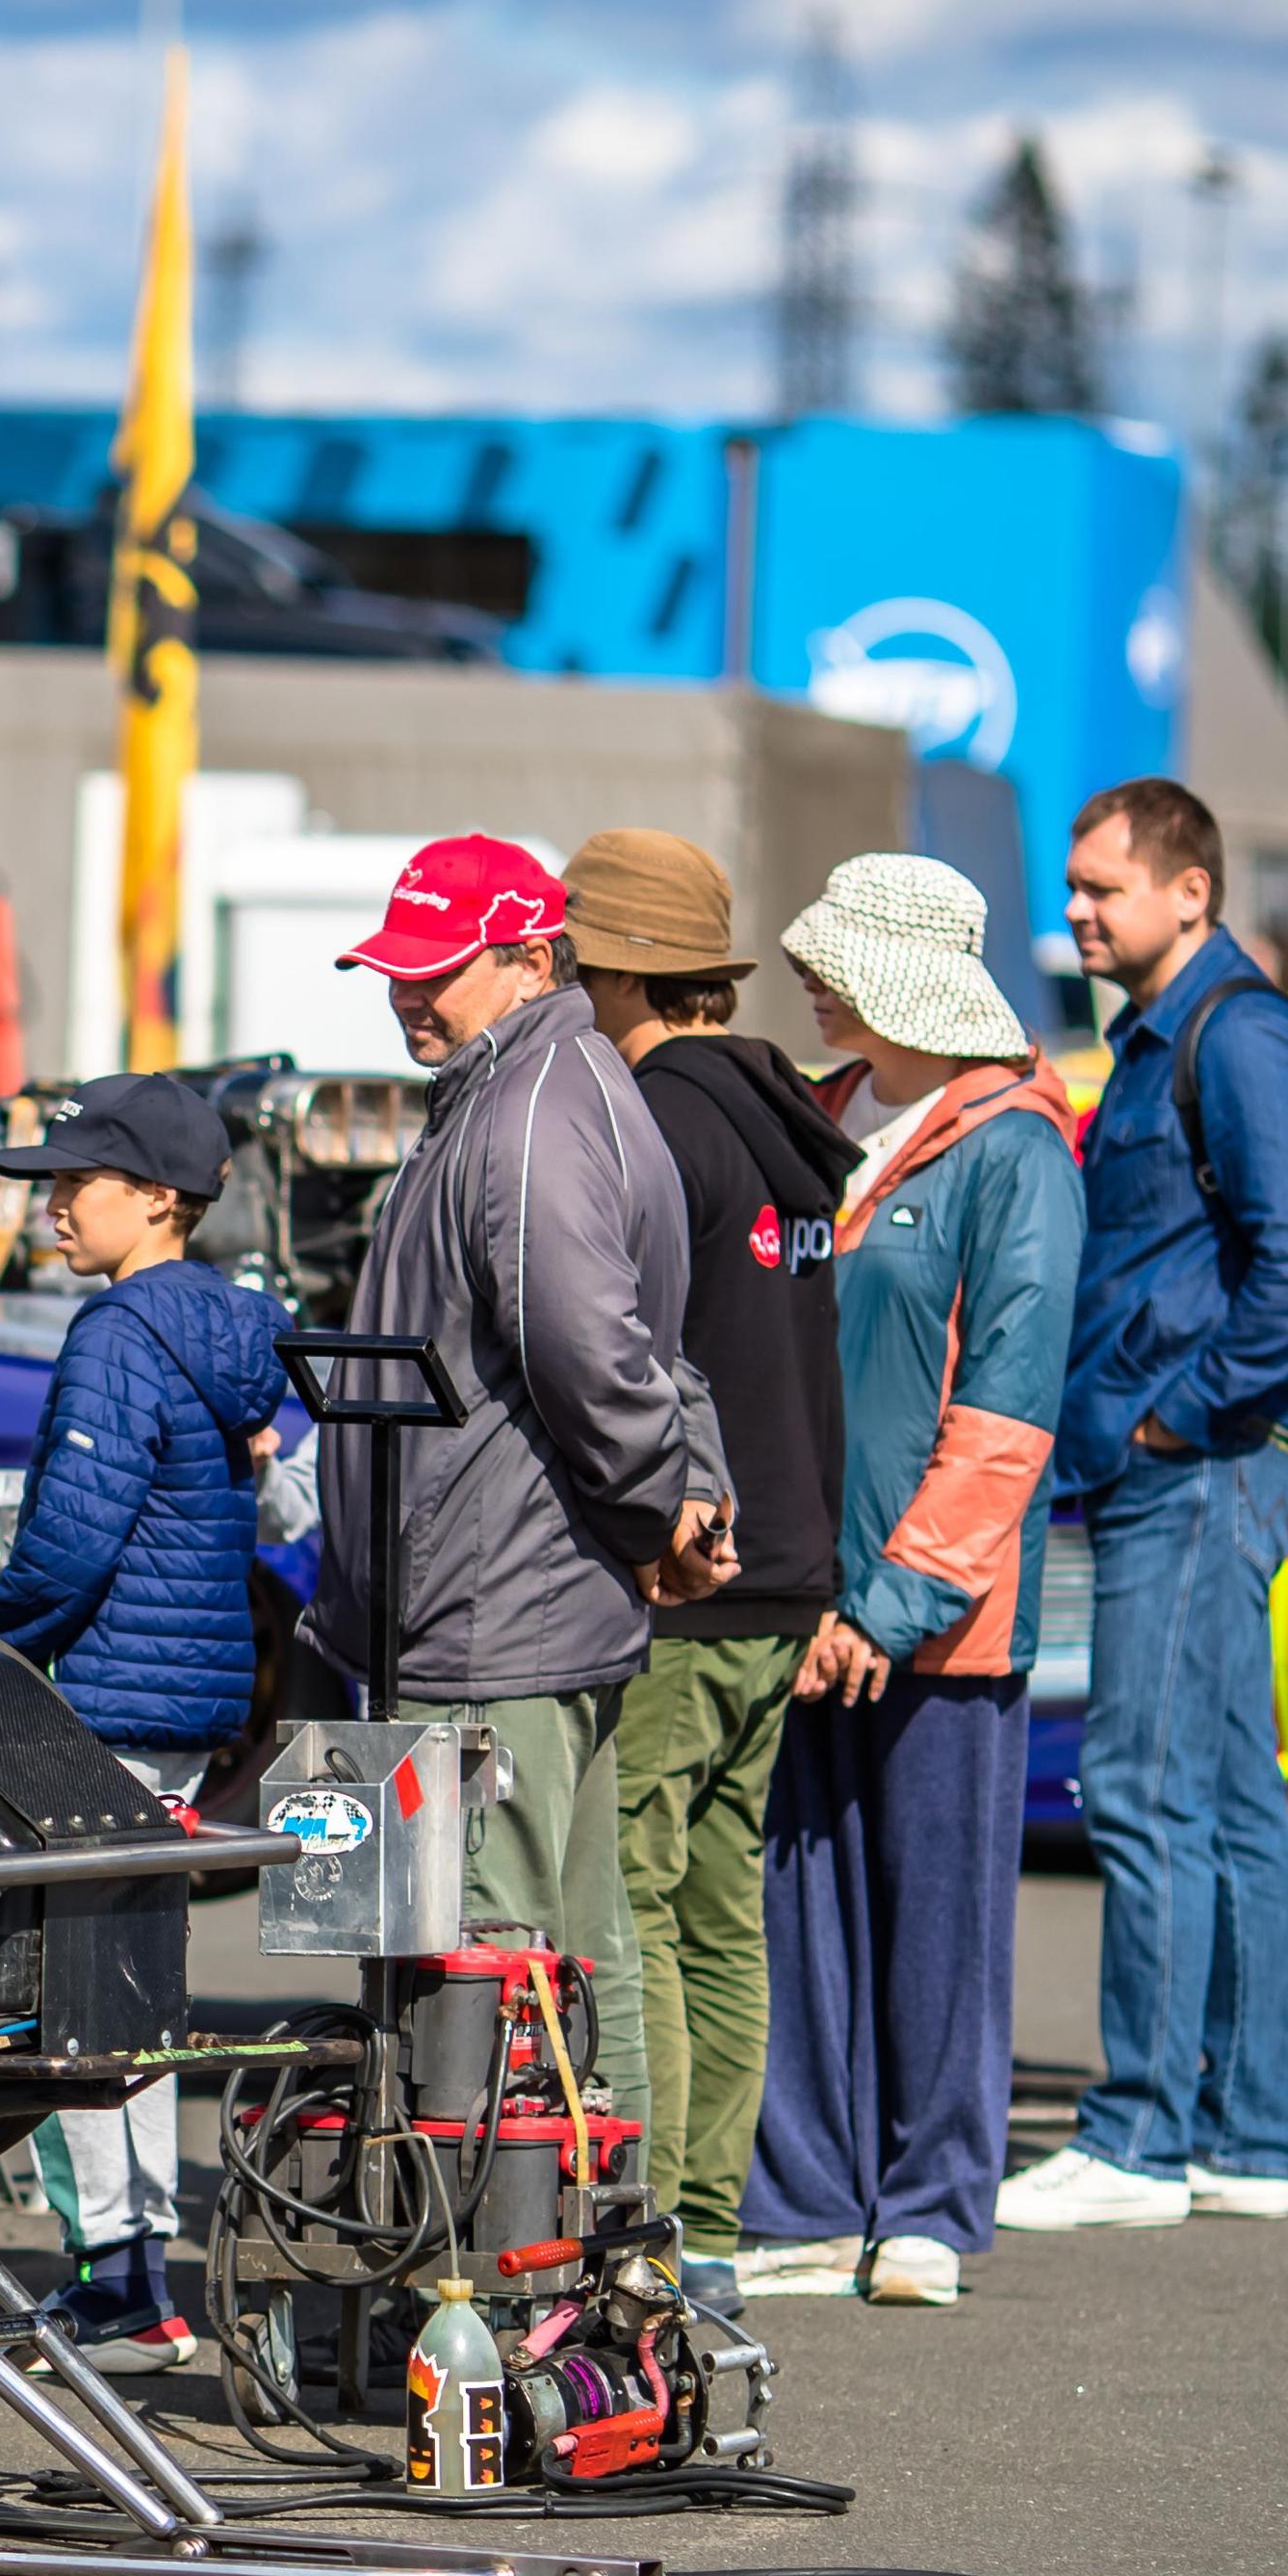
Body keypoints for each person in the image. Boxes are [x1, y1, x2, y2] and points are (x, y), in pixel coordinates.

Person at [304, 835, 731, 2141]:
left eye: (436, 970)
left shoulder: (532, 1106)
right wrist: (676, 1494)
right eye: (393, 971)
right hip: (491, 1610)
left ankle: (495, 2293)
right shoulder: (536, 1088)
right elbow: (638, 1354)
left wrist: (666, 1499)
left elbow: (593, 1353)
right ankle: (604, 2281)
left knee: (490, 1976)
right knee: (558, 1969)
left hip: (489, 1624)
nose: (408, 995)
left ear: (534, 956)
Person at [999, 778, 1288, 2236]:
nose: (1076, 908)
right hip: (1190, 1458)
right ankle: (1240, 2134)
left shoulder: (1235, 1034)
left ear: (1188, 892)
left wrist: (1176, 1414)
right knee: (1225, 1802)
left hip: (1203, 1463)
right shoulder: (1162, 1034)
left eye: (1103, 886)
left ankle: (1140, 2134)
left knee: (1144, 1791)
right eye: (1074, 886)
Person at [734, 858, 1083, 2308]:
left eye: (837, 960)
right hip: (796, 1594)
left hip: (931, 1611)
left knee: (937, 1917)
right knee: (795, 1910)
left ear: (906, 976)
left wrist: (896, 1601)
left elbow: (1008, 1408)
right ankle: (811, 2196)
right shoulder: (814, 1120)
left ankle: (934, 2200)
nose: (807, 979)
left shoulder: (1019, 1152)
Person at [575, 830, 859, 2316]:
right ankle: (717, 2235)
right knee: (718, 1906)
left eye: (576, 955)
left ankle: (664, 2239)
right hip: (792, 1560)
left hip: (694, 1563)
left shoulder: (651, 1121)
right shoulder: (780, 1116)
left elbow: (628, 1354)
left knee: (636, 1902)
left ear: (615, 966)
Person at [0, 1071, 295, 2372]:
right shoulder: (238, 1323)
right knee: (140, 1994)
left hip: (101, 1691)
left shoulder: (115, 1335)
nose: (52, 1210)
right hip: (191, 1699)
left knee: (75, 2000)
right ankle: (141, 2279)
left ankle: (114, 2281)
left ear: (156, 1199)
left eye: (74, 1185)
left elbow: (71, 1539)